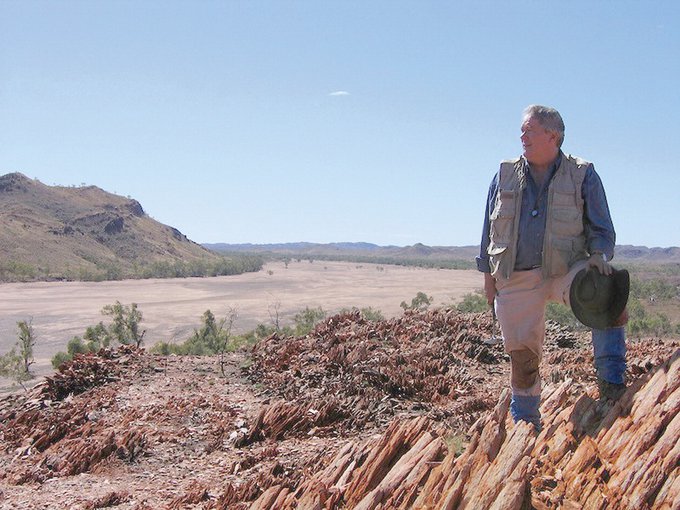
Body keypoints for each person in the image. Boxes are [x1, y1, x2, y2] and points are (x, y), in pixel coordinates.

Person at [476, 105, 628, 430]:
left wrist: (600, 255)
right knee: (523, 356)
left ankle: (612, 383)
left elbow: (602, 228)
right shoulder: (504, 173)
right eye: (522, 130)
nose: (522, 136)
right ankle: (526, 421)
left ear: (552, 136)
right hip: (515, 275)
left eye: (529, 130)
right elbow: (487, 230)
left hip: (565, 268)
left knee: (608, 293)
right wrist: (487, 276)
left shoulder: (583, 173)